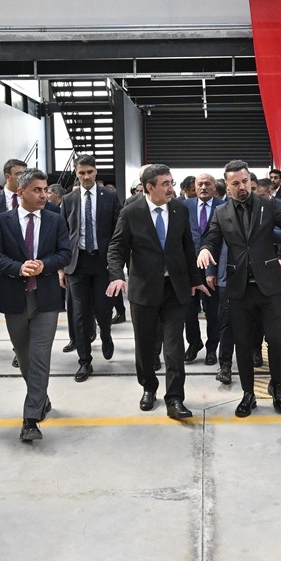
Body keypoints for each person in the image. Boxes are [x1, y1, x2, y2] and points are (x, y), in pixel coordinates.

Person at [198, 160, 281, 417]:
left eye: (245, 181)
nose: (242, 187)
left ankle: (277, 387)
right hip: (239, 288)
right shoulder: (221, 213)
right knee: (242, 344)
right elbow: (211, 237)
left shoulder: (269, 206)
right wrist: (205, 249)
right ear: (228, 186)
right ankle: (248, 393)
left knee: (275, 340)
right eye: (235, 184)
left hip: (269, 288)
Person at [106, 164, 206, 420]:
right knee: (146, 346)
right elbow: (116, 247)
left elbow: (187, 248)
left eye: (172, 182)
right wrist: (117, 276)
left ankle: (175, 399)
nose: (171, 188)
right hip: (144, 290)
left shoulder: (180, 210)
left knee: (174, 346)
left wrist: (195, 279)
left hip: (175, 288)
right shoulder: (131, 212)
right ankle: (148, 387)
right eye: (166, 184)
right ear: (150, 187)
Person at [0, 169, 71, 443]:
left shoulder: (55, 219)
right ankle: (41, 398)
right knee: (24, 358)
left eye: (45, 190)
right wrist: (18, 268)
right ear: (20, 192)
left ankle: (30, 418)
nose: (44, 195)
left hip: (46, 298)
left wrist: (44, 265)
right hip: (15, 298)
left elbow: (65, 253)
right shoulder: (1, 221)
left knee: (39, 357)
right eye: (37, 190)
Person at [59, 154, 120, 382]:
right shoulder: (69, 199)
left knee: (104, 309)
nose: (86, 176)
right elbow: (63, 234)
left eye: (89, 172)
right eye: (81, 172)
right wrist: (61, 268)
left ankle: (105, 333)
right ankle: (85, 361)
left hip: (102, 262)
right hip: (77, 263)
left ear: (96, 172)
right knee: (80, 315)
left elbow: (118, 231)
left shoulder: (110, 197)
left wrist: (116, 263)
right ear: (76, 173)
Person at [183, 172, 224, 365]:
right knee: (188, 311)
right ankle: (194, 343)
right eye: (200, 184)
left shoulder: (223, 208)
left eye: (208, 184)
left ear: (215, 187)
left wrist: (212, 271)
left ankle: (211, 348)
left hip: (213, 268)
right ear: (194, 187)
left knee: (212, 311)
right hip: (189, 269)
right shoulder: (184, 206)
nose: (203, 187)